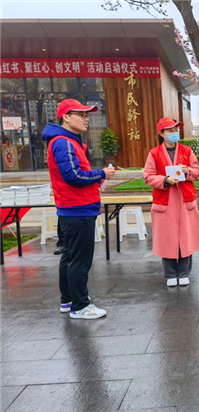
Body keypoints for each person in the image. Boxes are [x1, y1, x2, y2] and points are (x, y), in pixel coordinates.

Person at [42, 99, 115, 319]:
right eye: (81, 115)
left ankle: (69, 301)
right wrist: (101, 174)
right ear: (66, 117)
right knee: (80, 261)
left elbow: (75, 173)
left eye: (86, 115)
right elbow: (73, 176)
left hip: (73, 208)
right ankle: (80, 306)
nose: (86, 119)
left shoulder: (68, 141)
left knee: (69, 257)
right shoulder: (63, 142)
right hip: (78, 209)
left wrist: (97, 177)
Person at [143, 117, 199, 287]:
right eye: (170, 130)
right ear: (162, 133)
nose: (174, 133)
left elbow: (197, 171)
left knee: (186, 237)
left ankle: (184, 273)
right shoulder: (154, 153)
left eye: (176, 130)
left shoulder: (186, 151)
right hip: (165, 201)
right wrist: (164, 180)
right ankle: (170, 273)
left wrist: (187, 171)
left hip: (184, 200)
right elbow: (148, 176)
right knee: (167, 238)